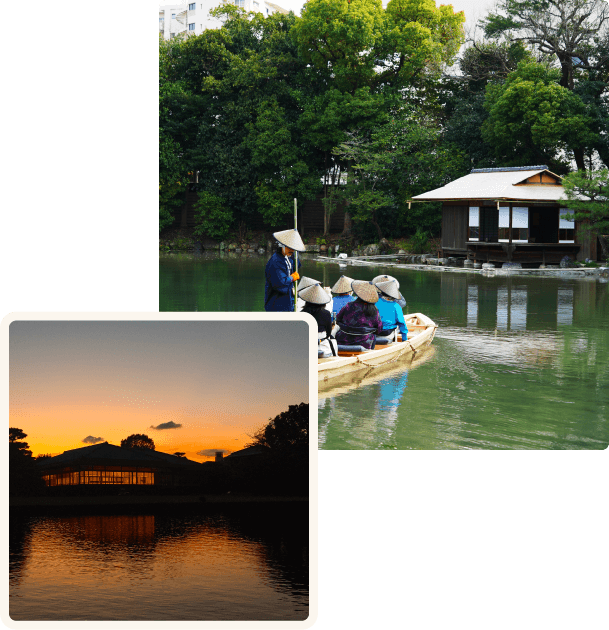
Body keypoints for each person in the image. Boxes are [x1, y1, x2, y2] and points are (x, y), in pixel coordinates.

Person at [264, 229, 305, 312]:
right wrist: (292, 278)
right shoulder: (275, 261)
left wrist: (295, 255)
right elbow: (280, 282)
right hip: (277, 302)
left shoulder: (288, 257)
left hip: (288, 299)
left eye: (293, 248)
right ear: (282, 246)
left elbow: (297, 266)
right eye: (289, 248)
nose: (291, 251)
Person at [335, 280, 383, 349]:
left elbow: (338, 320)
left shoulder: (348, 305)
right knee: (373, 335)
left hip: (344, 340)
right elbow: (379, 329)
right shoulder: (374, 310)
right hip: (365, 343)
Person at [299, 284, 337, 357]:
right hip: (322, 348)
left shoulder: (302, 314)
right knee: (334, 342)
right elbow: (328, 334)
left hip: (304, 348)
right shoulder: (326, 313)